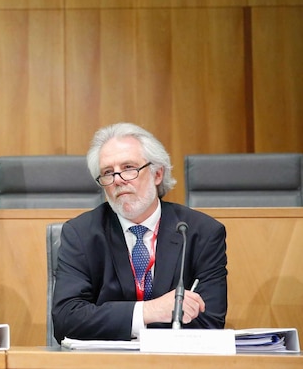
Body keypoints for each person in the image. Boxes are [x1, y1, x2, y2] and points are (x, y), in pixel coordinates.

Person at [52, 123, 227, 343]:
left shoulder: (200, 233)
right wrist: (148, 312)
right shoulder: (81, 234)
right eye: (107, 172)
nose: (117, 179)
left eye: (128, 168)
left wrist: (113, 320)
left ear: (157, 174)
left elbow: (210, 322)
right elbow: (66, 320)